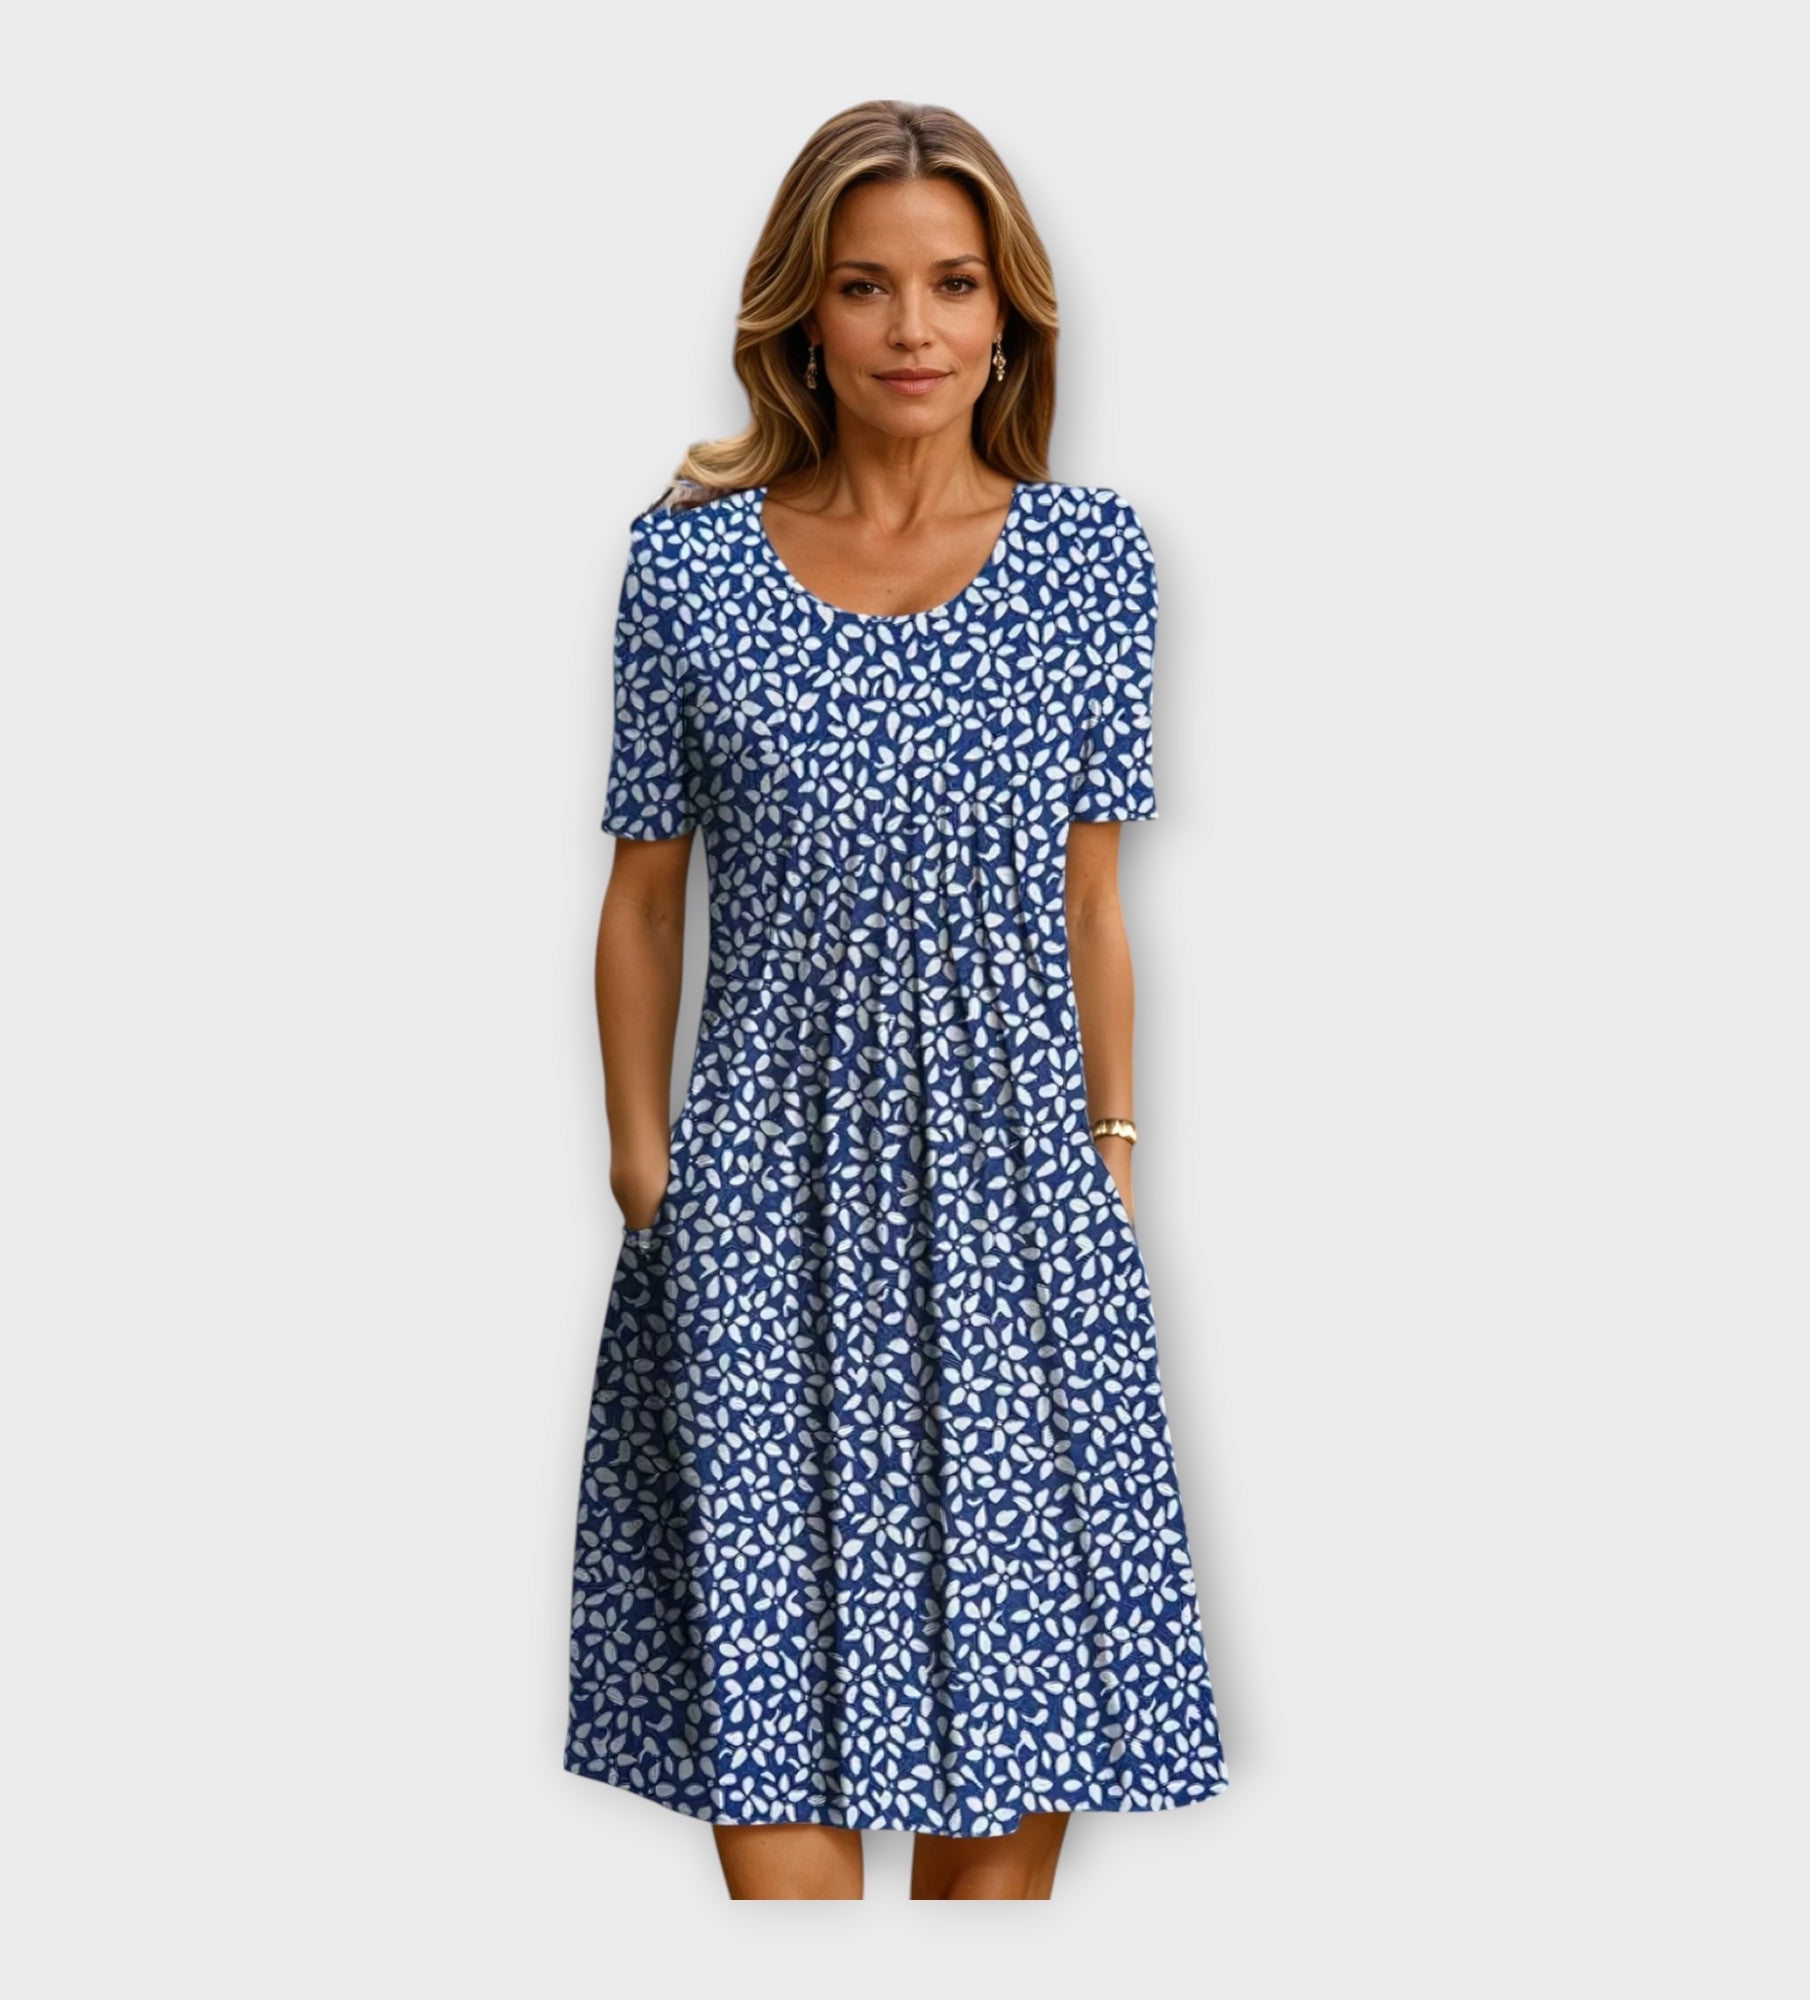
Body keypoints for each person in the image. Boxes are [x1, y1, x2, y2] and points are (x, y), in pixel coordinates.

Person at [567, 99, 1230, 1901]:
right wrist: (649, 1177)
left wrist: (1107, 1158)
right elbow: (644, 897)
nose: (912, 328)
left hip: (1017, 1213)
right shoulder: (687, 568)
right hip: (761, 1217)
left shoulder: (1092, 563)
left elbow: (1092, 902)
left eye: (952, 284)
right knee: (769, 1773)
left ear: (1009, 314)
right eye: (865, 286)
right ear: (804, 314)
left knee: (1004, 1799)